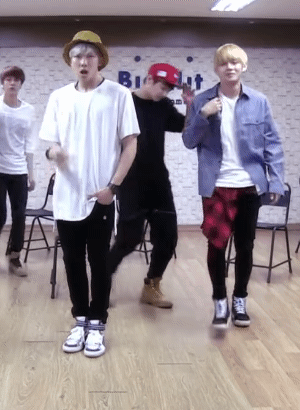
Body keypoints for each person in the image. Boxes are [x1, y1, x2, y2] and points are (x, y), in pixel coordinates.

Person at [40, 30, 139, 357]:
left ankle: (98, 323)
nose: (83, 62)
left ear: (100, 60)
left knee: (99, 261)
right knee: (71, 261)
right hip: (67, 195)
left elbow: (130, 144)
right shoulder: (59, 97)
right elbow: (51, 144)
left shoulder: (118, 94)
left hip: (101, 195)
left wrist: (113, 187)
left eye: (89, 56)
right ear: (71, 62)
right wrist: (53, 153)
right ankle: (80, 319)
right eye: (77, 57)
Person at [182, 43, 285, 328]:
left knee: (246, 246)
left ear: (243, 67)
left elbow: (273, 144)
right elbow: (189, 141)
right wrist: (203, 116)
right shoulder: (201, 100)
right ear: (216, 68)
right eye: (224, 63)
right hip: (216, 185)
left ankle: (240, 299)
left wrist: (276, 180)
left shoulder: (259, 101)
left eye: (235, 62)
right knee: (216, 245)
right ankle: (219, 301)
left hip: (249, 185)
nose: (230, 67)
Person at [108, 63, 194, 309]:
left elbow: (184, 127)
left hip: (159, 182)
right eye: (162, 87)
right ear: (149, 79)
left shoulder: (163, 105)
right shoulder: (124, 102)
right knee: (129, 239)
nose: (164, 92)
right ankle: (102, 280)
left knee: (168, 238)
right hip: (131, 182)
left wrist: (190, 104)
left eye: (168, 89)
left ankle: (151, 286)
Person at [0, 66, 37, 277]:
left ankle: (14, 257)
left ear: (21, 84)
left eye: (16, 80)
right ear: (3, 83)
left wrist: (31, 173)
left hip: (18, 169)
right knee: (0, 214)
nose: (12, 83)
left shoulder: (28, 110)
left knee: (20, 215)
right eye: (8, 79)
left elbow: (29, 143)